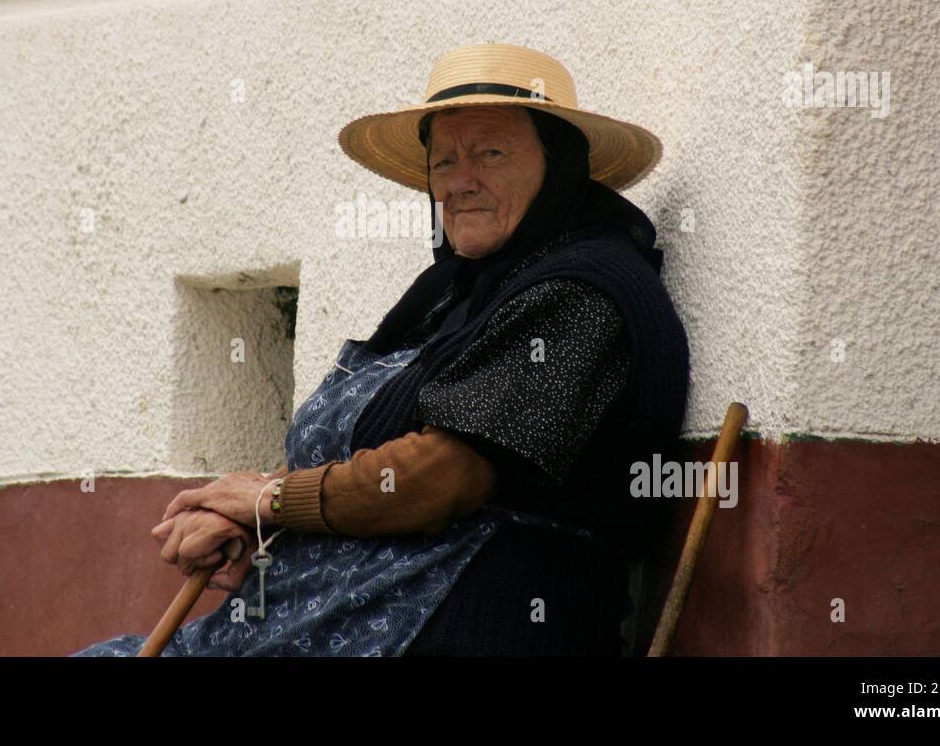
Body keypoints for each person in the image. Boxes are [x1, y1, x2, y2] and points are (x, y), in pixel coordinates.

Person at [73, 42, 690, 657]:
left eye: (490, 153)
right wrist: (254, 517)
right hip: (320, 618)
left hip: (467, 627)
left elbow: (440, 477)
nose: (461, 181)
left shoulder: (583, 295)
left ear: (558, 165)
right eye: (444, 161)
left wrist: (271, 500)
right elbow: (362, 470)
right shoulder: (454, 296)